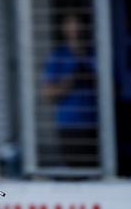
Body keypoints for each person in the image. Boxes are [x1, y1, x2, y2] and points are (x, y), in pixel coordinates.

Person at [42, 13, 98, 167]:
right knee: (73, 169)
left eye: (78, 25)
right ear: (64, 29)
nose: (75, 29)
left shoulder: (95, 55)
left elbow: (114, 88)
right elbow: (48, 93)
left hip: (95, 122)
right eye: (70, 25)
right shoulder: (58, 56)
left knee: (95, 168)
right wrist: (71, 81)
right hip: (69, 123)